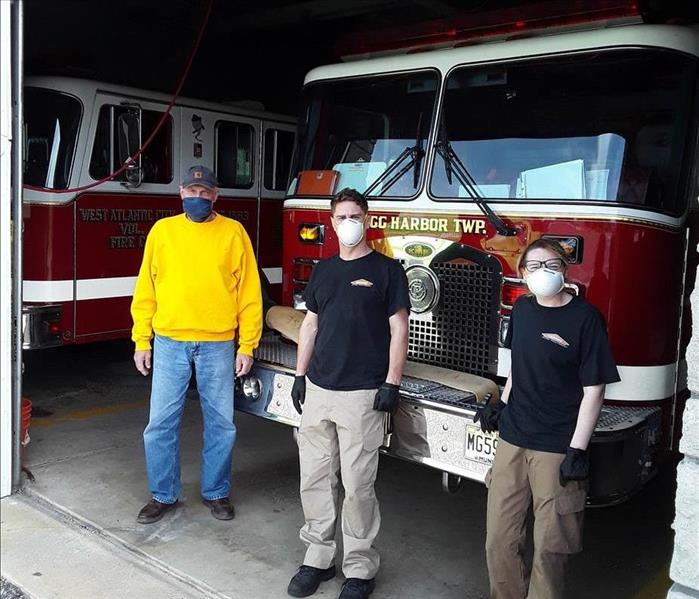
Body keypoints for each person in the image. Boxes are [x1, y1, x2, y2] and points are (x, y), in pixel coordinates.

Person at [475, 238, 620, 599]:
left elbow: (594, 390)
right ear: (523, 274)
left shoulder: (585, 319)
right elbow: (516, 370)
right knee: (499, 540)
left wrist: (577, 449)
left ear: (564, 270)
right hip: (513, 440)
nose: (543, 272)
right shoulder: (522, 310)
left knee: (550, 549)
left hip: (556, 447)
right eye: (534, 266)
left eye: (551, 264)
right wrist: (502, 403)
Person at [287, 188, 410, 599]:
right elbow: (309, 325)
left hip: (363, 395)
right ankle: (318, 559)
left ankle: (359, 567)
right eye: (342, 217)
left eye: (356, 215)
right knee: (315, 479)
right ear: (332, 222)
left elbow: (398, 329)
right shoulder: (323, 271)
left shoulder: (388, 271)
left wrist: (392, 382)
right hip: (319, 388)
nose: (349, 223)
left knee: (358, 486)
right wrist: (299, 374)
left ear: (367, 218)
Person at [131, 165, 262, 524]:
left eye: (205, 193)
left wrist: (246, 345)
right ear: (181, 194)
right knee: (160, 424)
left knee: (221, 423)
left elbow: (249, 295)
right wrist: (142, 340)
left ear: (216, 196)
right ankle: (163, 494)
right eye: (192, 191)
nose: (198, 198)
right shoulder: (163, 232)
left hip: (218, 343)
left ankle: (216, 492)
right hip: (170, 342)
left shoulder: (234, 233)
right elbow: (146, 291)